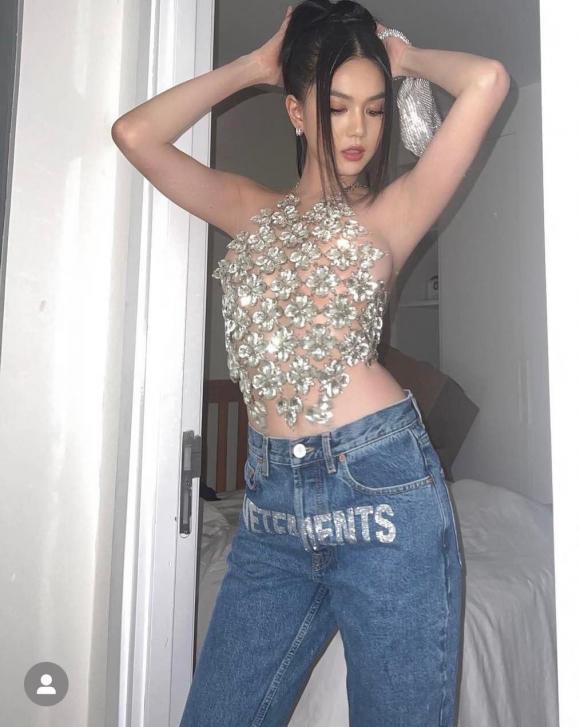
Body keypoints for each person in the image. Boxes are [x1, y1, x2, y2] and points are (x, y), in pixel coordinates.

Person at [112, 1, 509, 724]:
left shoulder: (393, 212)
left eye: (375, 109)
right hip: (270, 510)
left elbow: (488, 81)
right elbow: (134, 134)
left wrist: (404, 59)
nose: (359, 130)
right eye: (336, 106)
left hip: (382, 494)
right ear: (296, 112)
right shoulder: (247, 207)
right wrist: (254, 67)